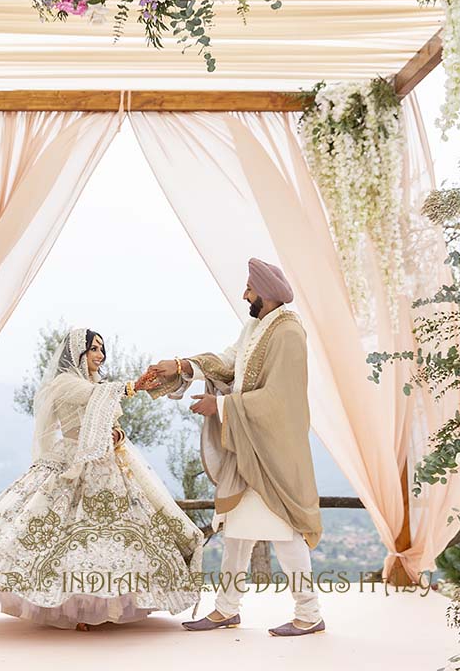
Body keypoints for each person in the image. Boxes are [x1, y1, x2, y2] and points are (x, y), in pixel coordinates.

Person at [0, 327, 204, 630]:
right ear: (76, 352)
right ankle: (76, 610)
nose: (100, 355)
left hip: (107, 463)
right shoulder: (65, 383)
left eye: (102, 349)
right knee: (66, 535)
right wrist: (134, 386)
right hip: (71, 460)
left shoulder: (97, 383)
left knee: (106, 537)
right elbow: (93, 398)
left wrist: (117, 433)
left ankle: (105, 606)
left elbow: (108, 418)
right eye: (93, 348)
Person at [139, 258, 325, 637]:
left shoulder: (289, 334)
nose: (245, 295)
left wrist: (221, 406)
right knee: (237, 531)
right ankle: (226, 609)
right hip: (247, 447)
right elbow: (227, 364)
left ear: (268, 293)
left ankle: (309, 613)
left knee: (284, 532)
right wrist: (180, 366)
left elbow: (281, 399)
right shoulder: (256, 327)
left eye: (250, 290)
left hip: (271, 452)